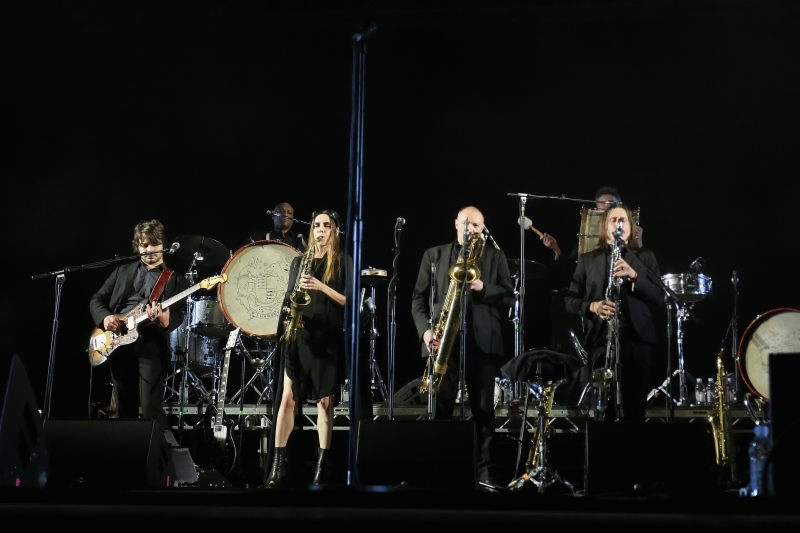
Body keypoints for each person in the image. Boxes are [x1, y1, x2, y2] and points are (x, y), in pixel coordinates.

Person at [410, 206, 514, 491]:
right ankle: (440, 471)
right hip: (443, 341)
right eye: (467, 223)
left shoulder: (494, 255)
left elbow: (509, 297)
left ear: (483, 229)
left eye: (477, 225)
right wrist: (425, 332)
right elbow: (417, 300)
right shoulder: (434, 255)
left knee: (484, 412)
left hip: (482, 342)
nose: (471, 229)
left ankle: (485, 473)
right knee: (439, 409)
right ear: (456, 224)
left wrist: (483, 287)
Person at [266, 210, 351, 488]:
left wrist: (319, 286)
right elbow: (291, 294)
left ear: (335, 231)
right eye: (317, 225)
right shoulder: (299, 262)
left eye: (327, 226)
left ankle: (321, 469)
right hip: (300, 336)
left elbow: (346, 299)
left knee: (325, 402)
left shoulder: (342, 262)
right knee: (288, 399)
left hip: (326, 338)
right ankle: (277, 468)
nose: (321, 230)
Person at [89, 219, 190, 438]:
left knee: (150, 407)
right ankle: (129, 455)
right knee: (124, 408)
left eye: (154, 244)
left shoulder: (176, 280)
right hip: (117, 341)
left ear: (163, 243)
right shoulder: (122, 271)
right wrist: (105, 319)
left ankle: (166, 454)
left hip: (150, 345)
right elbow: (97, 299)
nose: (149, 250)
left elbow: (179, 315)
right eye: (144, 245)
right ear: (138, 246)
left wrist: (164, 321)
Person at [563, 203, 662, 421]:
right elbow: (569, 301)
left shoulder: (645, 257)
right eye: (613, 220)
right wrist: (592, 306)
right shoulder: (588, 260)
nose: (618, 224)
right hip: (601, 339)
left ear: (631, 226)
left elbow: (659, 296)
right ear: (605, 227)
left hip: (638, 340)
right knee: (602, 408)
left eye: (623, 220)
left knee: (635, 406)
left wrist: (635, 276)